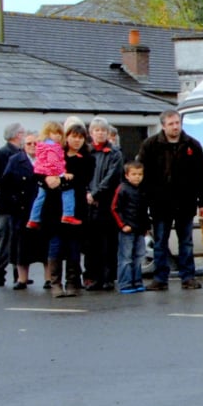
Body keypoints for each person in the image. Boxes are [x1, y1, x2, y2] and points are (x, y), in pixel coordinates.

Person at [137, 109, 203, 291]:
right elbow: (143, 178)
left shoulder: (193, 145)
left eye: (177, 123)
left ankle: (188, 277)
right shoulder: (150, 146)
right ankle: (160, 279)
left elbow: (201, 177)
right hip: (160, 203)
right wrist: (145, 203)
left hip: (186, 202)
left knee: (186, 242)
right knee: (160, 242)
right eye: (171, 124)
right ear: (163, 126)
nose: (175, 127)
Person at [50, 122, 94, 297]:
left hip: (77, 208)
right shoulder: (57, 155)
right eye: (73, 136)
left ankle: (72, 281)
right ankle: (55, 283)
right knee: (56, 245)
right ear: (66, 137)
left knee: (74, 246)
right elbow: (44, 175)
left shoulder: (88, 159)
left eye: (81, 137)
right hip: (55, 207)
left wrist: (60, 181)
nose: (77, 140)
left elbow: (81, 180)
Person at [83, 118, 123, 290]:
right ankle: (94, 277)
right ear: (91, 133)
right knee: (92, 244)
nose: (100, 133)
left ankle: (108, 278)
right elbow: (82, 174)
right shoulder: (86, 152)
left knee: (108, 243)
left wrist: (95, 193)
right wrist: (86, 193)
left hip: (107, 204)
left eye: (103, 130)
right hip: (89, 205)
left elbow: (112, 177)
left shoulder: (115, 153)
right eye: (96, 130)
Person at [0, 122, 30, 289]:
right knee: (6, 240)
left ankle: (18, 274)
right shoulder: (3, 154)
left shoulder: (21, 153)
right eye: (23, 133)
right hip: (7, 205)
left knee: (18, 240)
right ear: (17, 135)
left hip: (20, 205)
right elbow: (2, 180)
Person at [25, 121, 76, 229]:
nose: (58, 136)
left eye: (60, 133)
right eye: (55, 133)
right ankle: (68, 213)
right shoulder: (52, 147)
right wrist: (62, 173)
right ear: (48, 133)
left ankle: (33, 218)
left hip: (42, 172)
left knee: (40, 197)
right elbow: (54, 162)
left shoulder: (42, 146)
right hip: (51, 172)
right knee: (68, 190)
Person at [112, 160, 151, 293]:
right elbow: (114, 208)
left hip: (140, 229)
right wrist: (123, 225)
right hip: (127, 229)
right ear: (127, 175)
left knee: (139, 256)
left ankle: (137, 281)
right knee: (126, 257)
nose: (137, 177)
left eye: (140, 174)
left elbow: (144, 210)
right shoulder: (122, 188)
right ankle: (125, 283)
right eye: (134, 174)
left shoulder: (143, 189)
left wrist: (146, 226)